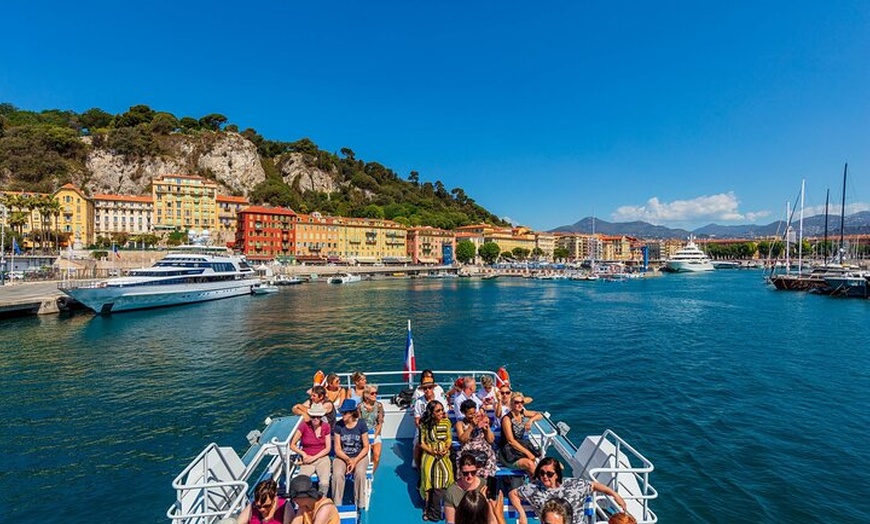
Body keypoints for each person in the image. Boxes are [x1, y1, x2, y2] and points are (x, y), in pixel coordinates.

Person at [509, 458, 627, 524]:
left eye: (549, 474)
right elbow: (513, 493)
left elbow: (593, 485)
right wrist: (522, 514)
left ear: (557, 475)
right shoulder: (533, 489)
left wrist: (614, 494)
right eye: (541, 473)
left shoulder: (575, 485)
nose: (545, 476)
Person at [331, 399, 370, 509]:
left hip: (359, 456)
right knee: (337, 475)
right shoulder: (338, 426)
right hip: (342, 456)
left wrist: (355, 460)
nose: (342, 414)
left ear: (352, 412)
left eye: (345, 412)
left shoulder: (361, 424)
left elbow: (366, 447)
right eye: (342, 412)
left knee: (360, 473)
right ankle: (337, 504)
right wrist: (348, 460)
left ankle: (359, 503)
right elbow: (338, 448)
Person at [419, 399, 454, 520]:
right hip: (430, 455)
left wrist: (446, 448)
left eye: (442, 410)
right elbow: (422, 443)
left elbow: (449, 438)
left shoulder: (446, 422)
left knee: (446, 477)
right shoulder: (424, 424)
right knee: (429, 481)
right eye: (438, 410)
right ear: (432, 413)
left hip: (443, 454)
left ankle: (444, 507)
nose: (441, 412)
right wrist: (432, 451)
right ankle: (427, 508)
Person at [445, 453, 505, 524]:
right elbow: (450, 521)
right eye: (465, 473)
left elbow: (492, 520)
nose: (469, 476)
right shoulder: (452, 491)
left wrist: (486, 502)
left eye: (473, 472)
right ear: (460, 472)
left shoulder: (485, 486)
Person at [289, 403, 332, 496]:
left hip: (322, 458)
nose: (315, 419)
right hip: (307, 459)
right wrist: (303, 454)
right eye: (313, 416)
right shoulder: (304, 426)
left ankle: (321, 501)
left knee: (324, 483)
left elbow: (328, 448)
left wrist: (315, 457)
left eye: (318, 416)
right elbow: (292, 445)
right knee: (300, 481)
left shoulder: (326, 426)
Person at [455, 399, 497, 490]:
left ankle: (486, 488)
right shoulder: (460, 424)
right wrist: (471, 426)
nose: (473, 416)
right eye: (470, 414)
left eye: (474, 413)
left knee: (489, 460)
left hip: (482, 449)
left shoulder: (481, 421)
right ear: (464, 413)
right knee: (462, 462)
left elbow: (490, 440)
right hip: (468, 450)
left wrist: (487, 427)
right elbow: (462, 440)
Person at [498, 391, 542, 477]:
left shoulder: (522, 413)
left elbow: (539, 415)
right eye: (516, 402)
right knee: (529, 463)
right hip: (509, 452)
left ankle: (534, 481)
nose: (519, 405)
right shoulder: (507, 419)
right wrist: (528, 453)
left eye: (521, 402)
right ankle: (539, 484)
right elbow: (511, 441)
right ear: (511, 403)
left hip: (520, 447)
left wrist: (530, 420)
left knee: (538, 460)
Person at [414, 377, 446, 468]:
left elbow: (444, 416)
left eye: (429, 388)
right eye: (425, 388)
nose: (427, 390)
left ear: (433, 388)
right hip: (423, 429)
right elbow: (417, 420)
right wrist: (424, 430)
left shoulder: (441, 399)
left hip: (439, 428)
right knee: (417, 447)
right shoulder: (418, 402)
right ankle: (418, 468)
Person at [358, 384, 384, 473]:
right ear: (367, 395)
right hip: (363, 433)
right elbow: (359, 423)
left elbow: (380, 423)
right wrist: (365, 437)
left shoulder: (379, 406)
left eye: (376, 393)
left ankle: (371, 473)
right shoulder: (360, 407)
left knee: (376, 456)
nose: (375, 395)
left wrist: (374, 436)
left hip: (375, 432)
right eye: (373, 393)